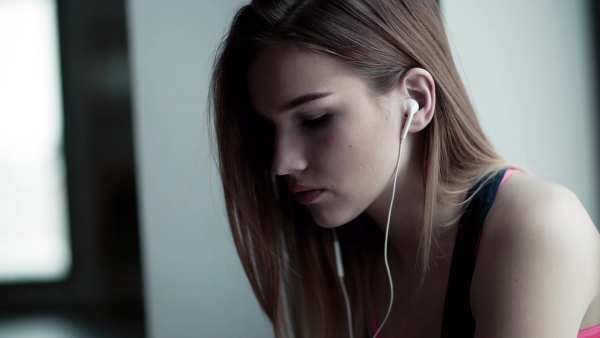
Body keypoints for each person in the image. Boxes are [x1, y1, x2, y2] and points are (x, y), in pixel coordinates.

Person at [209, 0, 600, 337]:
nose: (281, 163)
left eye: (314, 119)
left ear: (416, 100)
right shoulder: (350, 260)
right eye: (268, 129)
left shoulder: (538, 226)